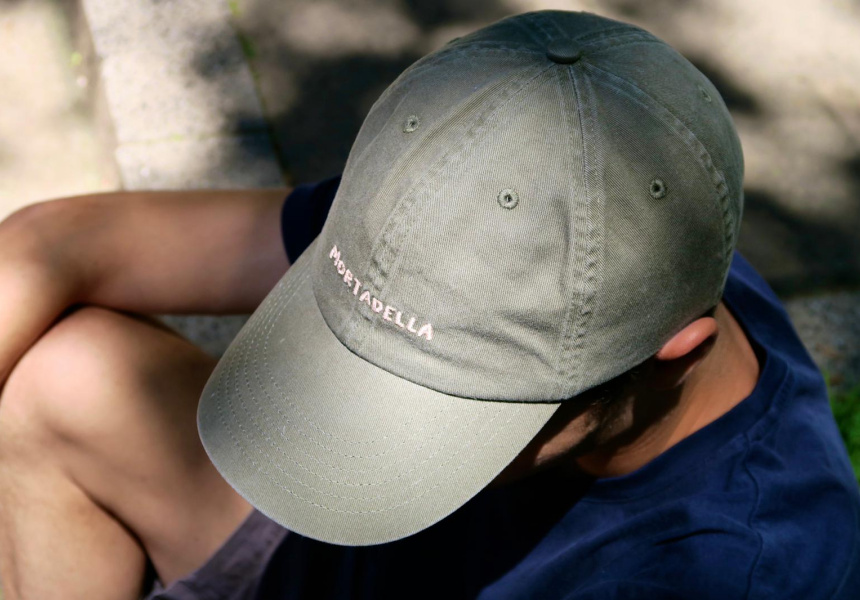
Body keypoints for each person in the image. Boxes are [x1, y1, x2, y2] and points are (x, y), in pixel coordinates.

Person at [0, 9, 858, 600]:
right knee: (71, 381)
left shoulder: (734, 570)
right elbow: (55, 245)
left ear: (675, 350)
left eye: (456, 402)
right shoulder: (502, 226)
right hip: (350, 566)